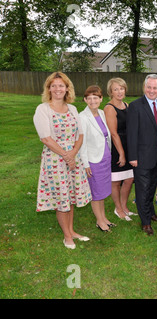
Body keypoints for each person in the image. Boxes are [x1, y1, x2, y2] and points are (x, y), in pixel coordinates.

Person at [33, 72, 91, 249]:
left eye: (61, 85)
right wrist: (66, 156)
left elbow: (80, 135)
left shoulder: (72, 109)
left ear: (67, 88)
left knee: (71, 196)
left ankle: (72, 230)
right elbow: (46, 138)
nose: (58, 89)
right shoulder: (43, 109)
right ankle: (67, 236)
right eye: (54, 85)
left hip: (74, 157)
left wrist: (73, 153)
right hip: (55, 159)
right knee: (61, 198)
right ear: (49, 88)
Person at [127, 74, 157, 236]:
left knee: (151, 186)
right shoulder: (136, 106)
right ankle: (145, 222)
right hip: (141, 156)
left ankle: (150, 212)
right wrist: (133, 157)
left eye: (155, 88)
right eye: (149, 87)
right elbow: (131, 133)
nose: (151, 90)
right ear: (144, 87)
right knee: (142, 189)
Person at [79, 85, 115, 232]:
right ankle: (100, 221)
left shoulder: (101, 113)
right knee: (96, 192)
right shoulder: (83, 117)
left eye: (96, 97)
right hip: (93, 160)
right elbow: (82, 142)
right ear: (85, 100)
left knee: (103, 191)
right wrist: (85, 163)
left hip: (105, 157)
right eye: (89, 98)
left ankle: (104, 217)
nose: (93, 101)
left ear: (101, 99)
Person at [104, 78, 135, 221]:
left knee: (129, 178)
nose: (119, 91)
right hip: (117, 148)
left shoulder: (127, 105)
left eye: (121, 88)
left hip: (129, 145)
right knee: (116, 181)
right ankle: (118, 208)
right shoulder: (109, 108)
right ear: (111, 92)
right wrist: (121, 154)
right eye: (115, 89)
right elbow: (114, 133)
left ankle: (124, 206)